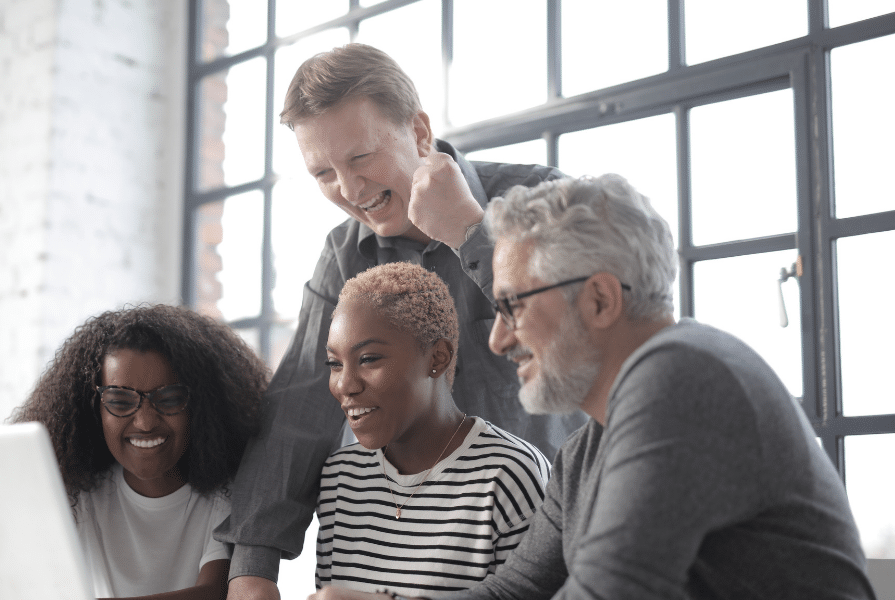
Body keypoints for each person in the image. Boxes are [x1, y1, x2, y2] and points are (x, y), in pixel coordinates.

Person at [320, 174, 875, 599]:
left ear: (600, 300)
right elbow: (515, 592)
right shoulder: (587, 448)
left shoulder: (682, 377)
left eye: (511, 304)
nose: (496, 339)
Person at [217, 44, 587, 599]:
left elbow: (578, 337)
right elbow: (298, 409)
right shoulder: (343, 253)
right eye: (323, 173)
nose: (349, 189)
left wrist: (467, 229)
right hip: (405, 556)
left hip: (547, 543)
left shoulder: (540, 198)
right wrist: (252, 567)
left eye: (361, 157)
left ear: (418, 131)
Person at [0, 304, 268, 600]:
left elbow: (212, 593)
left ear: (199, 405)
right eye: (119, 400)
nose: (145, 422)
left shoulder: (224, 496)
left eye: (170, 398)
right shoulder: (77, 496)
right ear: (93, 409)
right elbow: (2, 546)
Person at [311, 262, 550, 596]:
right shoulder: (341, 477)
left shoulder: (509, 475)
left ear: (437, 358)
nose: (345, 385)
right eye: (335, 364)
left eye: (368, 359)